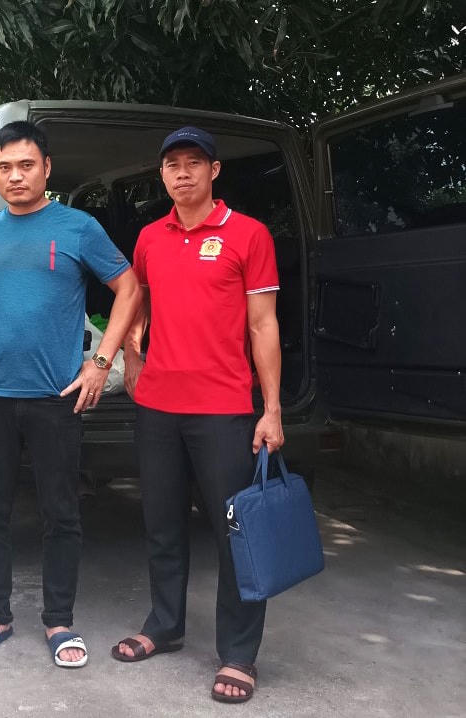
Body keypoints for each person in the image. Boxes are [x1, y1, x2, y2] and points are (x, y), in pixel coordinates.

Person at [0, 120, 140, 668]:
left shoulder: (78, 228)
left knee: (61, 512)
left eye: (26, 165)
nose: (15, 176)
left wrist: (102, 362)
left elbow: (129, 287)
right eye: (5, 167)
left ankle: (59, 621)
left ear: (47, 168)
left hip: (58, 397)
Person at [112, 126, 284, 703]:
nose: (182, 173)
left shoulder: (248, 234)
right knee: (162, 524)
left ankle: (238, 653)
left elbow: (263, 324)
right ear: (161, 174)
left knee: (235, 533)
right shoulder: (150, 237)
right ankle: (165, 625)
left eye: (194, 162)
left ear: (215, 170)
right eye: (172, 164)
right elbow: (138, 299)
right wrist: (133, 352)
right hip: (158, 406)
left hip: (224, 409)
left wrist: (272, 409)